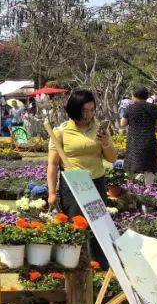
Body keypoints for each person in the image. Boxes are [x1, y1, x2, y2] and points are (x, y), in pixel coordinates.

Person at [47, 90, 117, 264]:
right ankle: (72, 264)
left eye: (92, 109)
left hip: (96, 182)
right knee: (75, 225)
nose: (89, 114)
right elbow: (53, 164)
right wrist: (52, 192)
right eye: (85, 110)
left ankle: (99, 264)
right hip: (73, 184)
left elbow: (112, 158)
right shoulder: (61, 131)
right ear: (74, 110)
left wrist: (105, 142)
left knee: (98, 226)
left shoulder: (99, 127)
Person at [120, 87, 157, 186]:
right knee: (149, 165)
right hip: (149, 139)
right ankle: (149, 187)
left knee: (131, 163)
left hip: (134, 139)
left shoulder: (130, 108)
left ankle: (129, 186)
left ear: (135, 97)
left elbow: (122, 123)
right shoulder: (153, 107)